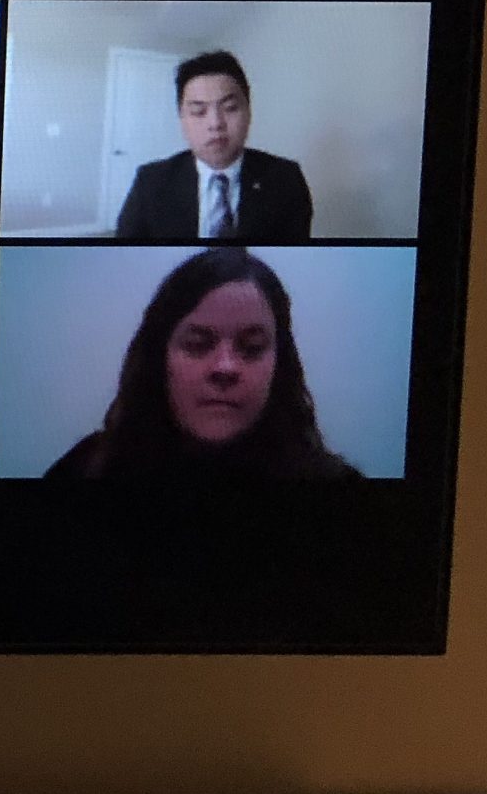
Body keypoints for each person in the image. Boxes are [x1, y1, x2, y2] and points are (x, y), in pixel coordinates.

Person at [45, 246, 362, 478]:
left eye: (251, 348)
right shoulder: (89, 468)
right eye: (197, 345)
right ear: (159, 358)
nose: (225, 367)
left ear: (280, 365)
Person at [114, 51, 315, 241]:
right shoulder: (150, 182)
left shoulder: (286, 179)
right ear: (182, 119)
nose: (216, 123)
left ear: (248, 112)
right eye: (199, 112)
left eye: (230, 108)